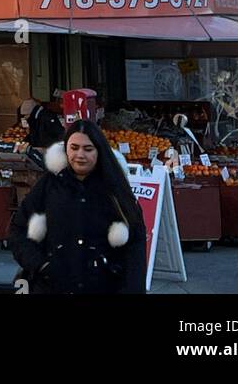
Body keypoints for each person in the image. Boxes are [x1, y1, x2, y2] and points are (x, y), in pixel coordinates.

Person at [9, 120, 147, 295]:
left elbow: (135, 246)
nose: (79, 155)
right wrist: (40, 264)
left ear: (99, 151)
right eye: (74, 148)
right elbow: (18, 229)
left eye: (88, 149)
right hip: (52, 288)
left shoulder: (115, 190)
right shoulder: (48, 185)